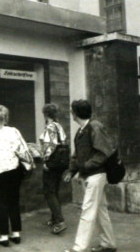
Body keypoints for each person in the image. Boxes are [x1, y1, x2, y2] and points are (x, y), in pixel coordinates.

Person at [63, 100, 117, 252]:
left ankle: (79, 248)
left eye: (72, 111)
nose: (71, 114)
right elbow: (77, 155)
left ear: (76, 113)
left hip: (96, 175)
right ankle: (109, 244)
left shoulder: (95, 127)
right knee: (100, 210)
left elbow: (105, 152)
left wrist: (86, 166)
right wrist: (71, 171)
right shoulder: (81, 130)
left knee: (87, 210)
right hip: (89, 175)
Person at [0, 105, 35, 247]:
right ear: (6, 117)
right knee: (14, 202)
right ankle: (16, 234)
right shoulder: (14, 132)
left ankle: (3, 236)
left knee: (1, 204)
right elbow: (23, 150)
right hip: (14, 172)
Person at [39, 103, 68, 234]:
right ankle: (54, 219)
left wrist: (45, 160)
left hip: (52, 161)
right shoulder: (59, 126)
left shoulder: (50, 127)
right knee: (54, 190)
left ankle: (60, 221)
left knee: (49, 192)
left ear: (46, 115)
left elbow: (49, 146)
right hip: (61, 162)